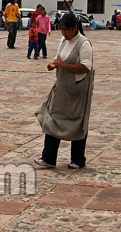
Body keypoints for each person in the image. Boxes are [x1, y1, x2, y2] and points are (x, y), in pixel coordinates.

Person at [34, 13, 94, 170]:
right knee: (53, 118)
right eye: (61, 29)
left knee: (77, 122)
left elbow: (86, 66)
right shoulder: (63, 40)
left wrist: (63, 65)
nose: (63, 33)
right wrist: (53, 64)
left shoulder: (83, 43)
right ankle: (48, 157)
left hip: (77, 89)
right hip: (61, 87)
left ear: (74, 28)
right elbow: (58, 58)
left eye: (66, 30)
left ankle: (78, 158)